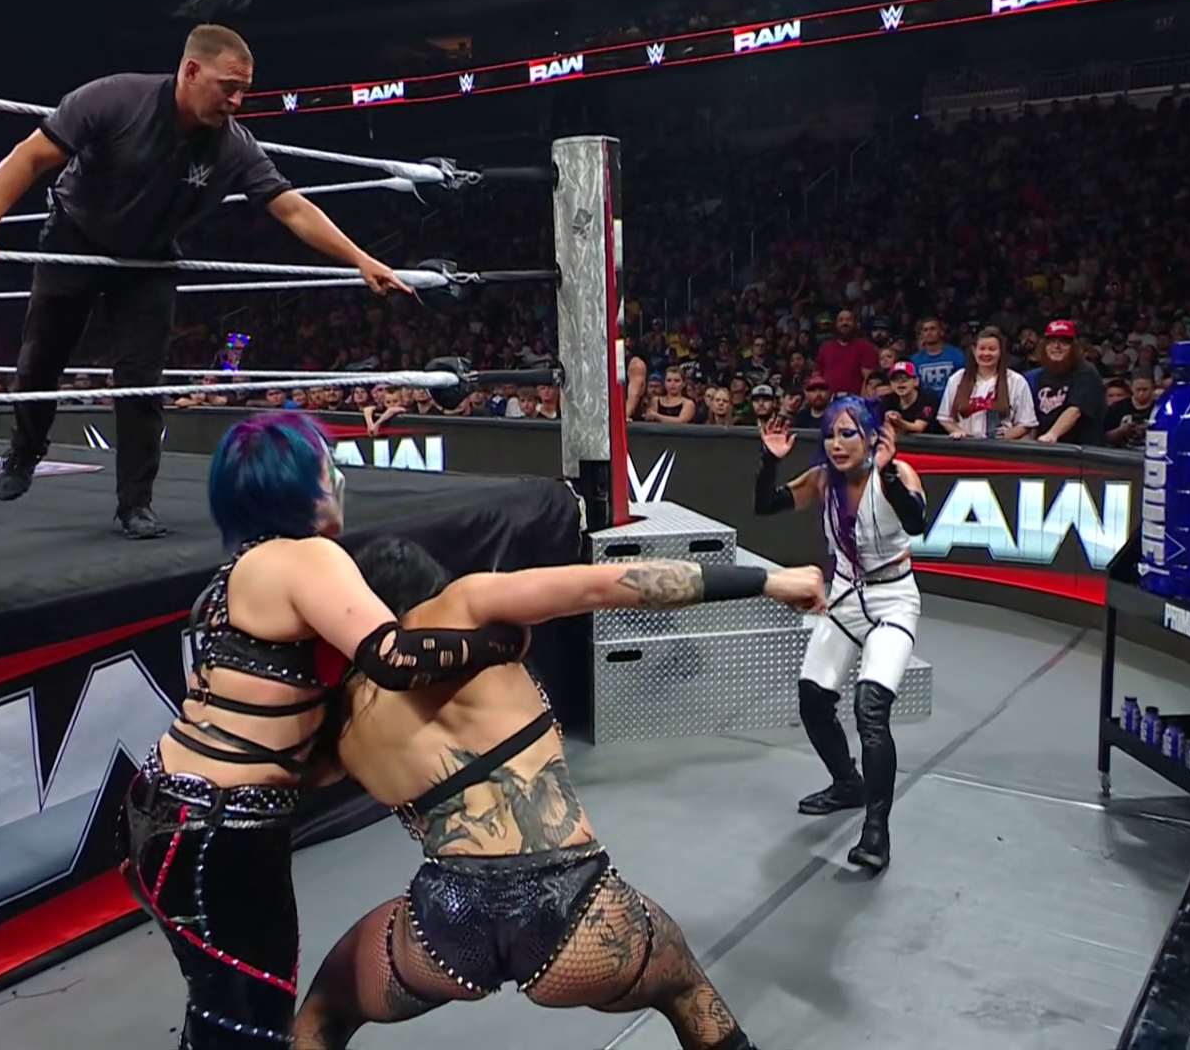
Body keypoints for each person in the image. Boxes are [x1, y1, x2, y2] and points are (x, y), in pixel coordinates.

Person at [289, 540, 826, 1050]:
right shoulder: (464, 606)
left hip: (445, 923)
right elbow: (612, 584)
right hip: (578, 909)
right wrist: (769, 581)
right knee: (685, 987)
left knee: (323, 1011)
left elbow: (301, 771)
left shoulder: (344, 725)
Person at [120, 410, 531, 1049]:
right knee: (248, 1026)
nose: (337, 478)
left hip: (166, 811)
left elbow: (305, 737)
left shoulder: (238, 574)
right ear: (297, 485)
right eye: (325, 467)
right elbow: (394, 656)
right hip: (218, 830)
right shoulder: (306, 556)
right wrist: (500, 642)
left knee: (221, 1011)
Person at [0, 24, 411, 540]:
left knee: (142, 382)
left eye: (243, 91)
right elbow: (29, 156)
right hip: (75, 237)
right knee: (40, 359)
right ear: (190, 71)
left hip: (150, 259)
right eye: (228, 88)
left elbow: (292, 208)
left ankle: (135, 504)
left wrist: (360, 259)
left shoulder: (233, 146)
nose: (236, 102)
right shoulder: (114, 99)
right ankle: (26, 449)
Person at [752, 395, 929, 871]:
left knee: (870, 709)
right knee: (813, 698)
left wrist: (889, 474)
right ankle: (847, 782)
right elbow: (765, 505)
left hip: (893, 600)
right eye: (830, 434)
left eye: (848, 433)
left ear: (871, 437)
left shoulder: (898, 474)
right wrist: (769, 459)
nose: (836, 444)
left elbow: (917, 523)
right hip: (846, 598)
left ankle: (877, 831)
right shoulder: (822, 480)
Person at [937, 328, 1037, 440]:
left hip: (1002, 447)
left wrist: (1008, 435)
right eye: (982, 349)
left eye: (992, 349)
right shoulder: (957, 379)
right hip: (966, 446)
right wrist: (958, 431)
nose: (986, 353)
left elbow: (1027, 422)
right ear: (974, 351)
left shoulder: (1017, 381)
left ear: (1000, 352)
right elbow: (944, 418)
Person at [1025, 319, 1107, 445]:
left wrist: (1052, 434)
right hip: (1048, 448)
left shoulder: (1086, 372)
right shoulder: (1043, 374)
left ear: (1074, 347)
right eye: (1051, 342)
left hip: (1081, 450)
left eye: (1063, 342)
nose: (1056, 346)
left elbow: (1075, 410)